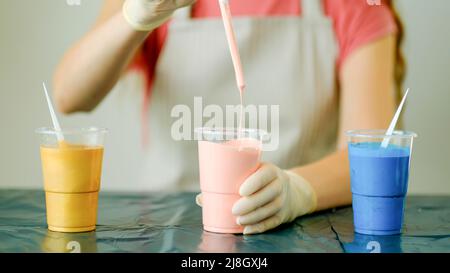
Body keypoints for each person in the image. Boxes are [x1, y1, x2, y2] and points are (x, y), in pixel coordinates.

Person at [53, 0, 403, 234]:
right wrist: (134, 17)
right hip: (166, 231)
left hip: (298, 232)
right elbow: (69, 95)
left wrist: (298, 191)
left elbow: (370, 157)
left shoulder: (350, 5)